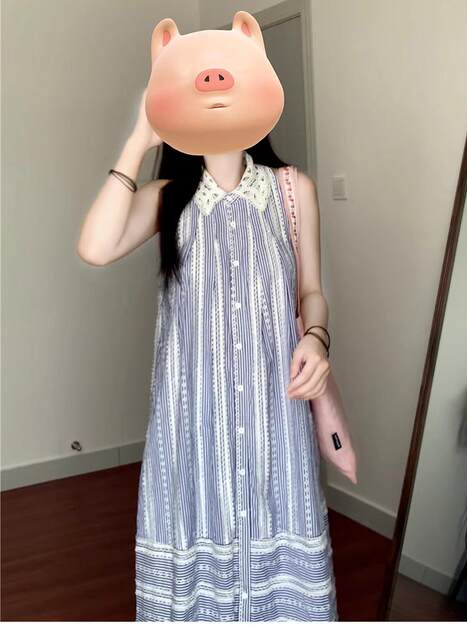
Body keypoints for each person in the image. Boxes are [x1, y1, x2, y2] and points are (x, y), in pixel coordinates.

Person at [77, 89, 338, 622]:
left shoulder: (292, 189)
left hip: (275, 424)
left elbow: (311, 291)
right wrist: (139, 139)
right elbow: (95, 248)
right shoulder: (167, 197)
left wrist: (315, 336)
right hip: (191, 431)